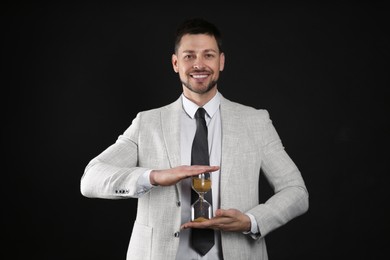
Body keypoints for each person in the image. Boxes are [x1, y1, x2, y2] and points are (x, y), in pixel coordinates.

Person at [80, 17, 309, 260]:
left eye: (208, 55)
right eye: (189, 56)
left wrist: (251, 221)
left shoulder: (255, 121)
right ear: (176, 63)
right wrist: (153, 176)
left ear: (221, 61)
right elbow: (91, 178)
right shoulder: (147, 123)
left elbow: (296, 191)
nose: (199, 64)